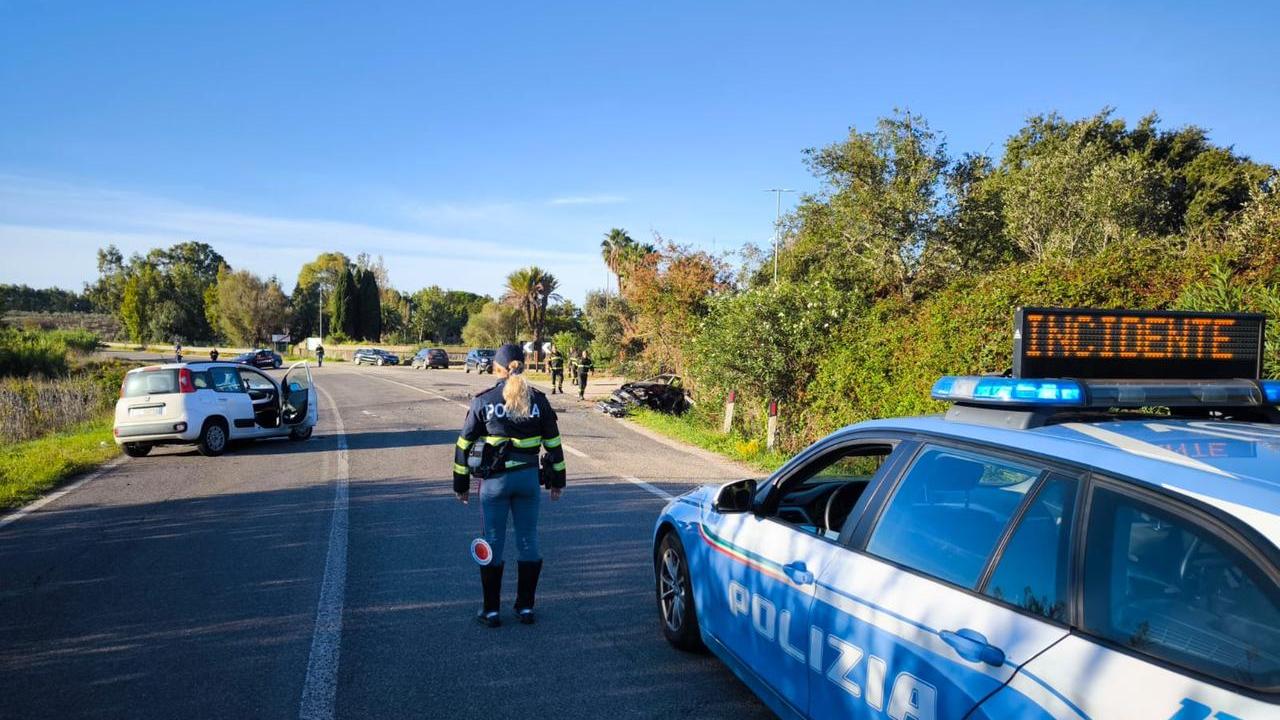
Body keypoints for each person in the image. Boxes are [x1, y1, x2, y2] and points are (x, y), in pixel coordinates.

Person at [453, 343, 566, 627]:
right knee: (528, 540)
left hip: (495, 484)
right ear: (524, 365)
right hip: (528, 481)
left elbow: (463, 445)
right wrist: (557, 482)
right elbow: (553, 445)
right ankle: (525, 608)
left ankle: (491, 611)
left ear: (498, 368)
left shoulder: (484, 400)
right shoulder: (539, 401)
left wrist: (461, 484)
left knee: (493, 541)